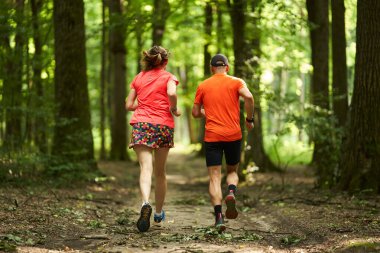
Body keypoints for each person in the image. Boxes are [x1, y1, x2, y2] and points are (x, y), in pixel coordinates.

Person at [192, 54, 254, 232]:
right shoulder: (236, 82)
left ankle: (219, 217)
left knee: (214, 178)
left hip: (212, 137)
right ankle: (232, 192)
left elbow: (195, 113)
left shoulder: (203, 85)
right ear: (227, 67)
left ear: (211, 68)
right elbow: (249, 98)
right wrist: (249, 119)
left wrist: (207, 113)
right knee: (233, 170)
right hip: (233, 135)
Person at [125, 46, 181, 233]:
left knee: (145, 169)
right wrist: (173, 108)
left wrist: (142, 106)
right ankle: (157, 213)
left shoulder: (139, 78)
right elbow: (172, 93)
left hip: (142, 124)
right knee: (160, 172)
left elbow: (128, 104)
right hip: (163, 125)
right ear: (165, 61)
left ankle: (145, 203)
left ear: (148, 61)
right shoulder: (168, 77)